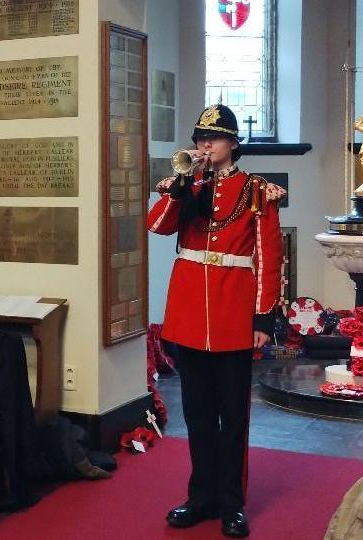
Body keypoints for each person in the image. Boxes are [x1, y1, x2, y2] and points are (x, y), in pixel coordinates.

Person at [147, 104, 285, 538]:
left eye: (216, 138)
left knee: (233, 417)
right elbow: (158, 227)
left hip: (232, 315)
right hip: (189, 315)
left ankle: (231, 501)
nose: (206, 145)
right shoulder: (185, 185)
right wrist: (183, 187)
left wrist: (263, 316)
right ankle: (200, 495)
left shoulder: (257, 191)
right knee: (198, 415)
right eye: (201, 137)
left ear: (233, 144)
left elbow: (268, 257)